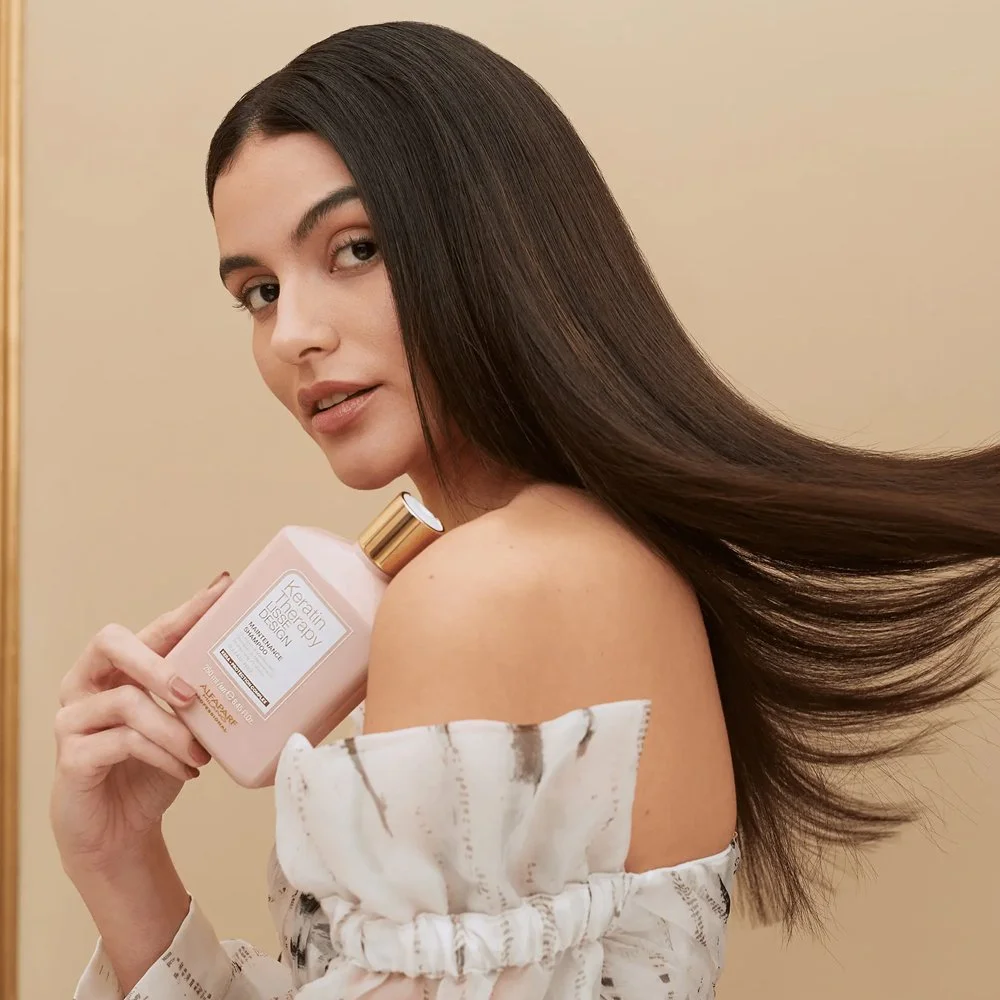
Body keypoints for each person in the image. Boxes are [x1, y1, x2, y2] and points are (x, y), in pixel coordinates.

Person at [53, 21, 998, 1000]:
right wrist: (119, 858)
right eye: (256, 290)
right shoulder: (599, 554)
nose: (293, 333)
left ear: (491, 238)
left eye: (357, 247)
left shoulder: (482, 586)